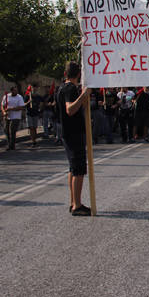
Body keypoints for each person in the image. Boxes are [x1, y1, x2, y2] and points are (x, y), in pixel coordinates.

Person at [57, 61, 92, 216]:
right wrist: (83, 96)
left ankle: (73, 202)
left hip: (68, 132)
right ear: (79, 74)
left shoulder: (62, 88)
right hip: (73, 133)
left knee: (73, 168)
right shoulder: (70, 88)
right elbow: (70, 109)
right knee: (78, 169)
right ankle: (77, 205)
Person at [1, 86, 25, 151]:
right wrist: (4, 112)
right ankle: (9, 144)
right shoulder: (6, 96)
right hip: (7, 116)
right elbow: (2, 105)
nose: (16, 92)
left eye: (16, 90)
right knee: (6, 130)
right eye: (15, 91)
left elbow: (21, 107)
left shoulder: (19, 97)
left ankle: (12, 145)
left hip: (16, 116)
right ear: (11, 91)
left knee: (12, 130)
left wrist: (12, 109)